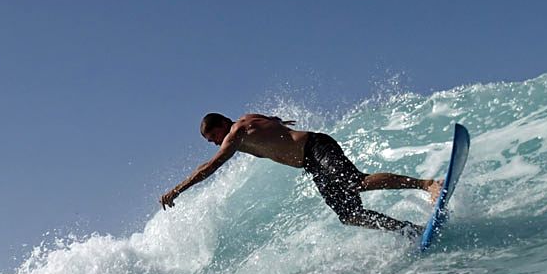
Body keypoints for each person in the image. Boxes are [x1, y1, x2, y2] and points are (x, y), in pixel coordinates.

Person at [160, 113, 442, 236]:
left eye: (214, 136)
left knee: (356, 182)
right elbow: (269, 121)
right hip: (310, 163)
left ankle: (427, 183)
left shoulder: (237, 131)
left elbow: (209, 166)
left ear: (224, 124)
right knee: (348, 215)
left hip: (317, 146)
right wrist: (277, 122)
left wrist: (178, 189)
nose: (215, 142)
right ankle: (408, 230)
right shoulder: (245, 129)